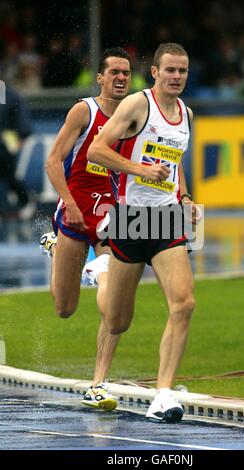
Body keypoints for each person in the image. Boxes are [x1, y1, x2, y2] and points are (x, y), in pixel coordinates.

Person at [87, 43, 197, 423]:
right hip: (130, 220)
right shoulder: (137, 105)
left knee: (184, 303)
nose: (177, 77)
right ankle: (98, 273)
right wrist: (138, 170)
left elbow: (174, 162)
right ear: (154, 72)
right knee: (118, 320)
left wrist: (183, 196)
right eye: (170, 70)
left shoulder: (186, 114)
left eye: (182, 71)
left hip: (165, 221)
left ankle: (163, 394)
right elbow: (96, 151)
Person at [39, 47, 132, 410]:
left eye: (126, 73)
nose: (121, 78)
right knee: (64, 308)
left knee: (114, 300)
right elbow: (52, 161)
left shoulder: (135, 117)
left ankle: (98, 384)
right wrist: (71, 205)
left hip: (112, 217)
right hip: (76, 210)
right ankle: (55, 248)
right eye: (114, 73)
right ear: (101, 77)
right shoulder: (85, 110)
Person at [0, 85, 35, 219]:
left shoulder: (10, 95)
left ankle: (26, 201)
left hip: (7, 142)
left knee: (9, 176)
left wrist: (21, 137)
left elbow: (22, 119)